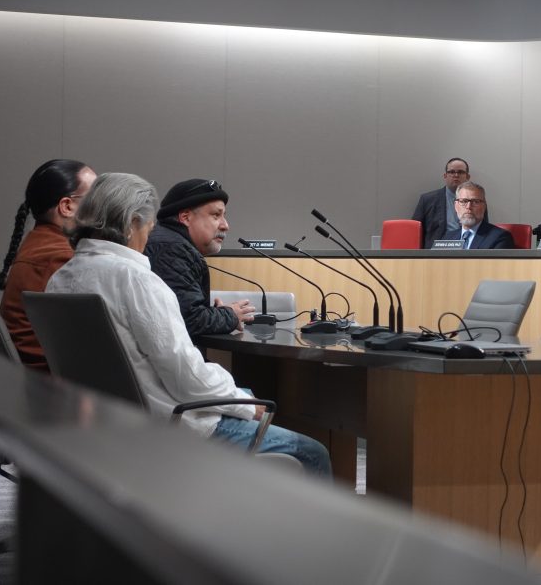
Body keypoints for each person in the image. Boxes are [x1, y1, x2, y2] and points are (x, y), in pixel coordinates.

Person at [46, 173, 332, 477]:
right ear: (131, 223)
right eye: (148, 225)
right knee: (312, 452)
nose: (151, 232)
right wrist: (245, 406)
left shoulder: (61, 279)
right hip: (170, 425)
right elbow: (184, 376)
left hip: (105, 424)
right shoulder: (136, 281)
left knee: (245, 394)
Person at [0, 159, 97, 369]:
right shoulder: (59, 258)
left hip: (37, 378)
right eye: (96, 197)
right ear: (67, 206)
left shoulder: (40, 244)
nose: (104, 206)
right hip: (54, 381)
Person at [143, 179, 255, 338]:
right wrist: (230, 315)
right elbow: (189, 320)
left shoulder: (170, 243)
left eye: (223, 216)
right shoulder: (172, 249)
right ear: (186, 217)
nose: (225, 225)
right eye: (216, 215)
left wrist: (216, 313)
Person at [411, 157, 490, 249]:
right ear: (445, 176)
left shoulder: (478, 200)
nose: (456, 175)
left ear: (467, 177)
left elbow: (484, 228)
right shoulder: (428, 200)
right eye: (451, 172)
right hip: (438, 251)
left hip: (470, 249)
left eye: (460, 172)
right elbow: (414, 232)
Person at [440, 181, 514, 250]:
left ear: (484, 206)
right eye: (464, 201)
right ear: (456, 206)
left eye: (475, 202)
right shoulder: (448, 238)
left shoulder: (500, 237)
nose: (468, 207)